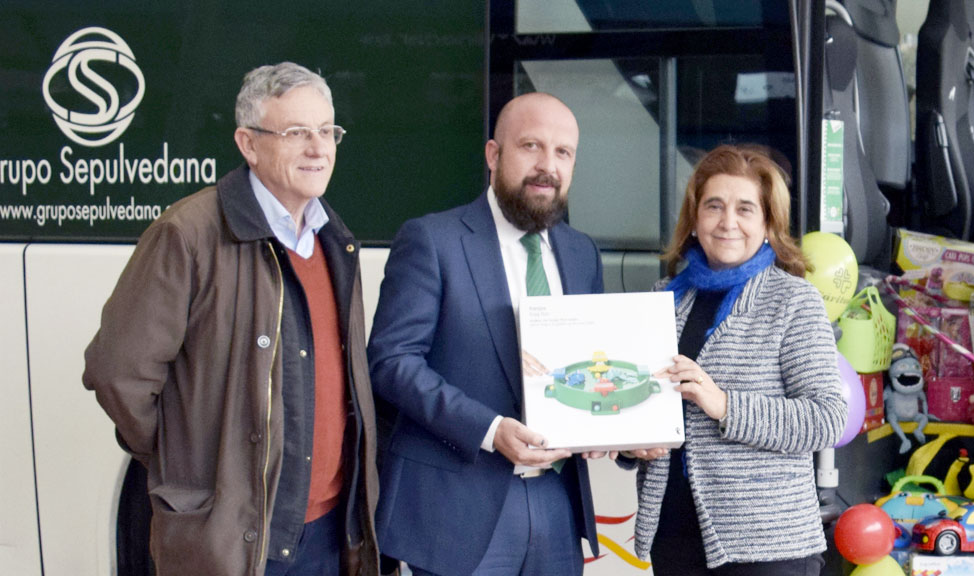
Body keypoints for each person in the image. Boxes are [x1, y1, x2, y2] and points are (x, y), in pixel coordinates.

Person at [83, 62, 380, 576]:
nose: (318, 148)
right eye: (296, 132)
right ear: (248, 143)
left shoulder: (332, 236)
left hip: (328, 533)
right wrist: (188, 459)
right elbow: (115, 371)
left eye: (327, 130)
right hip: (239, 541)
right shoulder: (188, 234)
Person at [367, 92, 603, 576]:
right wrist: (491, 431)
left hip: (557, 504)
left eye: (563, 153)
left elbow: (590, 366)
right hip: (456, 509)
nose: (548, 166)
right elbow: (391, 361)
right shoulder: (433, 239)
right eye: (531, 146)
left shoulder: (582, 254)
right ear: (494, 155)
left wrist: (606, 427)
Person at [621, 145, 847, 575]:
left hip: (766, 546)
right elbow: (641, 402)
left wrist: (725, 404)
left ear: (768, 224)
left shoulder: (794, 300)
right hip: (674, 533)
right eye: (714, 206)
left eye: (745, 208)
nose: (728, 222)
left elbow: (827, 418)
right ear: (694, 219)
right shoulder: (663, 298)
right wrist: (630, 444)